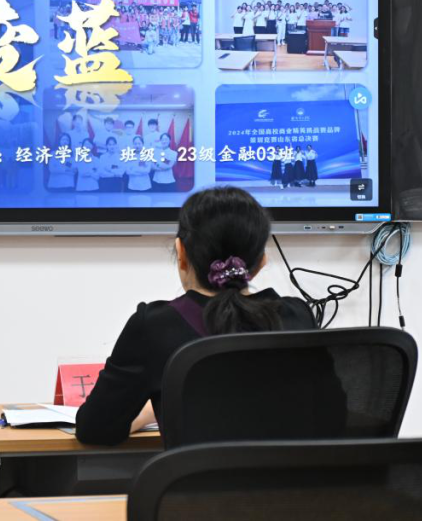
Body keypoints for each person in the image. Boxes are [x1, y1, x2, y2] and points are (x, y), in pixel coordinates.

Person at [74, 186, 316, 445]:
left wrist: (150, 412)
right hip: (294, 473)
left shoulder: (154, 326)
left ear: (181, 253)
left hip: (201, 474)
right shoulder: (297, 317)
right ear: (262, 262)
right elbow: (331, 416)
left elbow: (95, 430)